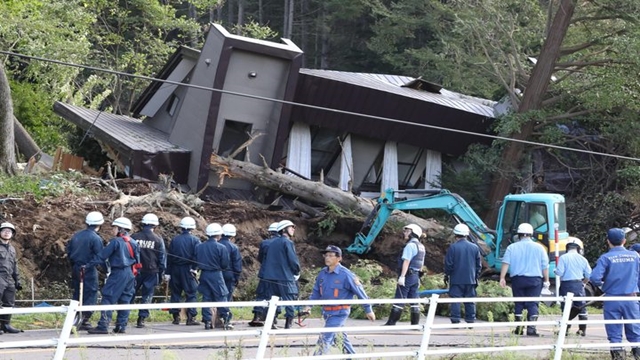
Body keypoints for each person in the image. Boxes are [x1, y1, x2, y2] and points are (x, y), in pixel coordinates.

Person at [304, 245, 375, 356]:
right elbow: (316, 291)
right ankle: (352, 357)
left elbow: (360, 292)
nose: (327, 258)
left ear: (339, 258)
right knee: (340, 339)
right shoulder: (322, 273)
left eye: (331, 256)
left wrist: (368, 309)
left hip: (340, 312)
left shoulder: (346, 275)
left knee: (324, 338)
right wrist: (309, 306)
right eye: (326, 255)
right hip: (327, 312)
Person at [590, 228, 640, 360]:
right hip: (631, 298)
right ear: (624, 241)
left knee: (614, 332)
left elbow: (594, 278)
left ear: (608, 241)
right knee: (635, 330)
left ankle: (618, 356)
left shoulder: (605, 258)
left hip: (612, 298)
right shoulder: (635, 256)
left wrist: (604, 286)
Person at [87, 217, 140, 334]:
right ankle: (121, 326)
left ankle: (103, 325)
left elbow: (102, 256)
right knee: (125, 299)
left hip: (118, 273)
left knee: (108, 297)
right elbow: (138, 261)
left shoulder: (115, 242)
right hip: (130, 273)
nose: (112, 230)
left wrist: (87, 266)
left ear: (120, 229)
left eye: (114, 228)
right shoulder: (133, 242)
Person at [499, 223, 550, 337]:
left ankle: (519, 328)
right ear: (531, 234)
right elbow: (545, 266)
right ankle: (531, 329)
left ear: (519, 234)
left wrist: (502, 278)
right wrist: (546, 280)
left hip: (518, 279)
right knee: (533, 303)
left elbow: (506, 263)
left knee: (519, 303)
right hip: (535, 280)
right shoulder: (539, 247)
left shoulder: (512, 247)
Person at [66, 211, 105, 331]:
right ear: (99, 224)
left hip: (76, 268)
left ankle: (76, 318)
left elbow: (68, 252)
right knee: (91, 294)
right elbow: (100, 257)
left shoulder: (76, 235)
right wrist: (105, 270)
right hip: (88, 269)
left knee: (77, 294)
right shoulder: (95, 238)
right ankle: (84, 319)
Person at [261, 219, 301, 329]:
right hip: (285, 277)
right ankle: (288, 324)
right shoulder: (287, 242)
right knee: (289, 299)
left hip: (270, 277)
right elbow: (292, 260)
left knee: (272, 300)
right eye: (291, 227)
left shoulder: (271, 243)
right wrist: (297, 271)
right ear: (284, 229)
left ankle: (271, 323)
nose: (293, 229)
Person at [384, 223, 425, 326]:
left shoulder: (410, 245)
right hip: (416, 276)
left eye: (407, 231)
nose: (405, 233)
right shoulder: (421, 246)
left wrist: (402, 276)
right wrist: (418, 277)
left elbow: (406, 262)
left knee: (400, 297)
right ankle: (415, 324)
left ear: (412, 233)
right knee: (414, 300)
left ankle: (391, 323)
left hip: (408, 275)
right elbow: (421, 263)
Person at [130, 213, 166, 328]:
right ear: (155, 225)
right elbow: (162, 259)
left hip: (136, 271)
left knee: (130, 293)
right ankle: (141, 319)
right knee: (147, 295)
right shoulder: (158, 239)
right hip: (152, 271)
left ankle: (123, 316)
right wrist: (161, 273)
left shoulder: (134, 237)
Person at [165, 216, 201, 326]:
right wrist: (194, 268)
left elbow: (169, 257)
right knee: (191, 293)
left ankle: (176, 317)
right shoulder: (195, 240)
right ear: (192, 228)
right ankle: (190, 317)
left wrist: (168, 272)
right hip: (188, 269)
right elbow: (197, 256)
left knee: (175, 293)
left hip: (175, 269)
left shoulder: (175, 239)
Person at [444, 223, 482, 325]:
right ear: (467, 234)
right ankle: (470, 319)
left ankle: (455, 319)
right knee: (470, 300)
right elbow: (478, 265)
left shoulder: (453, 247)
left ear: (455, 235)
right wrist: (475, 276)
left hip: (456, 278)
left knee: (455, 299)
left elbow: (448, 264)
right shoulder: (475, 248)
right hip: (470, 279)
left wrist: (447, 275)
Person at [196, 223, 231, 330]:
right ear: (218, 235)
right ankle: (225, 319)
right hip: (216, 274)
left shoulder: (199, 246)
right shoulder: (221, 247)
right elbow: (225, 264)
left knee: (206, 297)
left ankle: (207, 321)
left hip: (204, 274)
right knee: (222, 296)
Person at [555, 238, 591, 336]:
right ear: (578, 249)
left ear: (567, 248)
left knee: (566, 307)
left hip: (566, 285)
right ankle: (582, 330)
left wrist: (555, 271)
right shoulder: (583, 259)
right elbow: (588, 274)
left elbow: (560, 272)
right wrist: (584, 283)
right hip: (579, 284)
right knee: (581, 307)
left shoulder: (563, 258)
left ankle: (565, 330)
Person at [249, 222, 279, 327]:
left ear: (270, 232)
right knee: (276, 296)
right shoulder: (285, 242)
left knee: (261, 294)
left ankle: (257, 316)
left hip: (265, 273)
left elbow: (260, 258)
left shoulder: (265, 243)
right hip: (278, 275)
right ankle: (273, 317)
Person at [0, 222, 23, 334]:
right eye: (4, 230)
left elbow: (14, 265)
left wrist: (17, 280)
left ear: (12, 234)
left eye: (9, 231)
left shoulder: (12, 249)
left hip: (9, 279)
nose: (6, 233)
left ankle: (5, 325)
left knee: (9, 303)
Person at [218, 223, 242, 329]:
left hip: (216, 274)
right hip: (229, 275)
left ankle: (211, 318)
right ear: (232, 235)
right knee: (226, 296)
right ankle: (226, 318)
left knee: (215, 296)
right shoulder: (233, 247)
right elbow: (237, 265)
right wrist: (236, 277)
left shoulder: (216, 244)